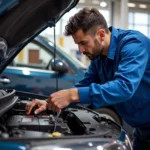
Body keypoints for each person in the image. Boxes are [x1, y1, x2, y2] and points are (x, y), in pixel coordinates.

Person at [25, 7, 150, 150]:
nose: (80, 50)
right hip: (141, 132)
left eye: (83, 43)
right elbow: (84, 85)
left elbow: (124, 87)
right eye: (78, 44)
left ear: (101, 35)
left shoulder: (134, 45)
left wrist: (72, 95)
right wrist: (49, 103)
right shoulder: (98, 59)